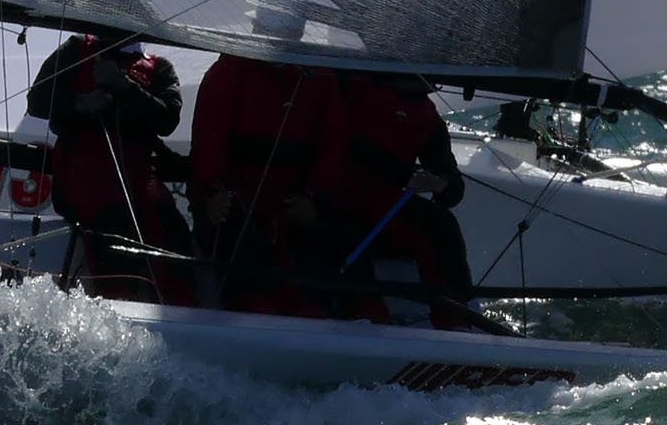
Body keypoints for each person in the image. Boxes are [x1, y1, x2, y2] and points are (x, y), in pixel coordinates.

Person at [309, 70, 482, 330]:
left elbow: (451, 180)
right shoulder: (355, 86)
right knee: (341, 226)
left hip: (383, 210)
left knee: (442, 224)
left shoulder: (428, 117)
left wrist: (442, 185)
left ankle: (456, 319)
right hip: (332, 198)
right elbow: (348, 142)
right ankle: (367, 313)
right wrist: (405, 174)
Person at [30, 31, 193, 301]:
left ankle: (181, 304)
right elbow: (37, 100)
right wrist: (80, 102)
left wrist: (125, 87)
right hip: (79, 171)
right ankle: (113, 301)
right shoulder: (75, 49)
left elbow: (167, 120)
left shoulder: (159, 68)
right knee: (111, 221)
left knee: (169, 225)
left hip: (137, 174)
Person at [186, 49, 343, 315]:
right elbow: (208, 138)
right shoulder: (230, 69)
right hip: (236, 199)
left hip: (292, 203)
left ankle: (318, 314)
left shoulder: (320, 77)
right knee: (238, 236)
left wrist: (313, 199)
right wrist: (213, 191)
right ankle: (252, 309)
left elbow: (334, 146)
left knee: (318, 245)